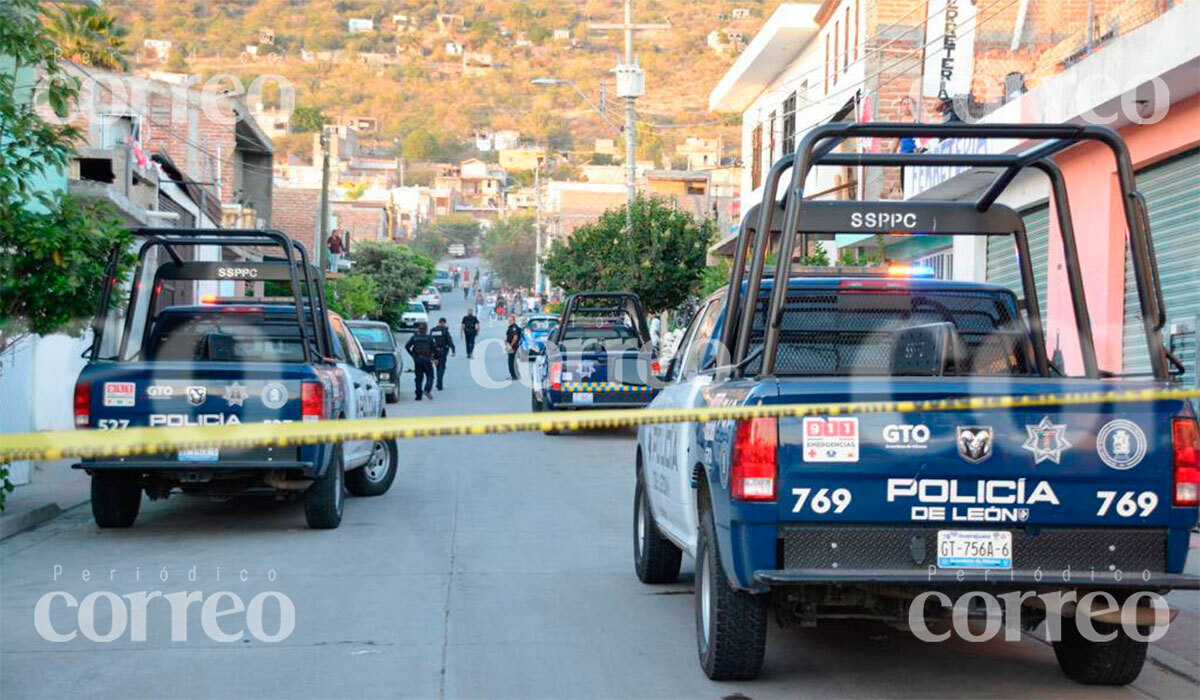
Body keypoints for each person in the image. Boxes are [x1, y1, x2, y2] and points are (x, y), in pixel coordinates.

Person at [404, 322, 436, 401]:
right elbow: (434, 348)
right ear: (426, 329)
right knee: (430, 376)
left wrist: (412, 355)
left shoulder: (414, 337)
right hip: (426, 359)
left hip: (417, 360)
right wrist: (433, 357)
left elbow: (407, 346)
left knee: (418, 378)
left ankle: (418, 395)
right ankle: (427, 390)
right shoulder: (429, 338)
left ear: (419, 329)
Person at [430, 317, 456, 391]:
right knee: (442, 367)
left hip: (434, 351)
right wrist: (453, 351)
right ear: (444, 323)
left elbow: (429, 340)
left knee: (437, 366)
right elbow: (450, 341)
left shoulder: (433, 330)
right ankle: (439, 383)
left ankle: (438, 381)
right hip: (443, 351)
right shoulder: (445, 331)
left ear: (438, 322)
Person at [505, 314, 522, 380]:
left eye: (511, 320)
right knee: (512, 361)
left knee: (511, 362)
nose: (509, 321)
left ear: (514, 320)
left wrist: (510, 345)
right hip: (511, 346)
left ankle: (514, 376)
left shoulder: (514, 328)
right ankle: (514, 375)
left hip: (513, 347)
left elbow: (515, 338)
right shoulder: (511, 327)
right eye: (509, 320)